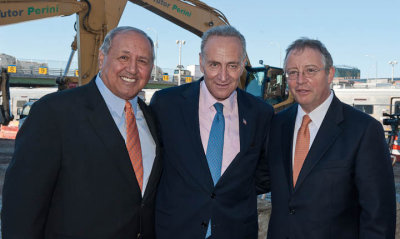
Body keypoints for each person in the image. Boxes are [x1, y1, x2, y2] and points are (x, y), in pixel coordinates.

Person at [2, 26, 162, 239]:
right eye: (123, 57)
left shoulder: (152, 118)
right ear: (102, 58)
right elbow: (22, 206)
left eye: (142, 61)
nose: (132, 69)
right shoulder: (54, 113)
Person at [150, 25, 273, 239]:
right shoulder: (167, 104)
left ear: (243, 64)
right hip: (175, 230)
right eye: (215, 64)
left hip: (235, 231)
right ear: (201, 61)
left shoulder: (261, 113)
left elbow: (264, 172)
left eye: (232, 65)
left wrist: (234, 192)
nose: (223, 76)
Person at [267, 38, 396, 239]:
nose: (300, 80)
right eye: (293, 72)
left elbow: (378, 216)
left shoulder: (364, 130)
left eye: (310, 70)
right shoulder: (277, 125)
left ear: (330, 74)